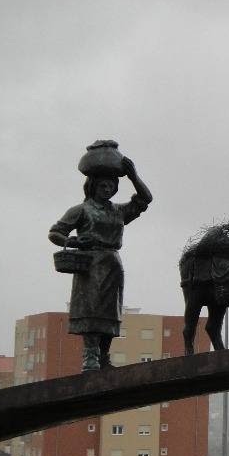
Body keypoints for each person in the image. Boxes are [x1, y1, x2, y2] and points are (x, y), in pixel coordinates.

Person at [49, 141, 153, 370]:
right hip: (90, 264)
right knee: (91, 309)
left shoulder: (118, 211)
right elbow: (55, 232)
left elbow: (145, 200)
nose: (107, 189)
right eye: (103, 185)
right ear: (93, 186)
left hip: (112, 264)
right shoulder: (82, 210)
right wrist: (72, 241)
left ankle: (104, 356)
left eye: (111, 186)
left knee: (110, 313)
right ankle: (90, 356)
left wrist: (133, 176)